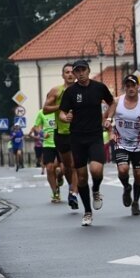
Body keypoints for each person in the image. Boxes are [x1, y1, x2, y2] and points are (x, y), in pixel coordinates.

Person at [59, 59, 114, 227]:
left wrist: (109, 118)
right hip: (77, 138)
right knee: (82, 177)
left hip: (95, 135)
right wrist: (65, 117)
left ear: (89, 70)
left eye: (83, 70)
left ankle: (96, 189)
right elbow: (62, 112)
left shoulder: (99, 87)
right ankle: (87, 212)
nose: (80, 73)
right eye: (77, 71)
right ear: (74, 74)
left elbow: (112, 102)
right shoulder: (70, 92)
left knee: (96, 169)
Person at [105, 74, 140, 216]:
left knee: (138, 174)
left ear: (138, 87)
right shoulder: (116, 101)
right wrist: (110, 130)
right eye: (127, 86)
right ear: (124, 88)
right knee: (123, 170)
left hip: (138, 144)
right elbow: (106, 118)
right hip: (120, 142)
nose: (130, 88)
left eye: (133, 85)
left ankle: (136, 202)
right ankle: (127, 188)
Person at [44, 63, 79, 210]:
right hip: (62, 134)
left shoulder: (81, 90)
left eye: (72, 72)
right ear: (63, 75)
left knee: (76, 165)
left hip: (77, 132)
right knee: (67, 168)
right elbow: (45, 109)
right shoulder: (56, 91)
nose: (70, 74)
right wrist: (61, 107)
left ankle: (73, 193)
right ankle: (71, 185)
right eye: (67, 72)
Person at [34, 108, 61, 202]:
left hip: (61, 143)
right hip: (48, 144)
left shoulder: (60, 110)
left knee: (61, 168)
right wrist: (42, 133)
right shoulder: (41, 112)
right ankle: (55, 193)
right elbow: (36, 126)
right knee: (49, 168)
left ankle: (60, 177)